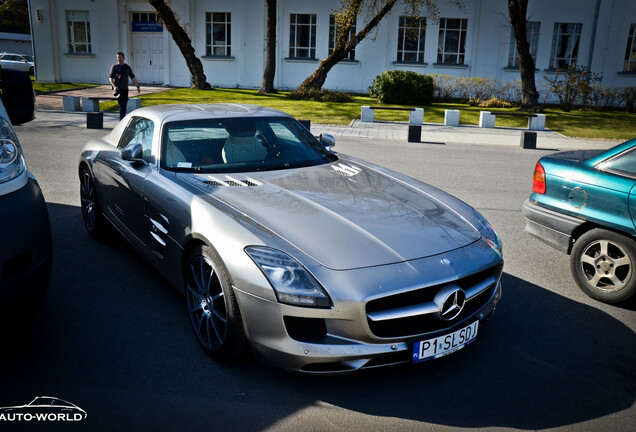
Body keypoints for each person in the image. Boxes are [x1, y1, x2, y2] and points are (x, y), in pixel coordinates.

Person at [109, 52, 140, 120]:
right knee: (121, 106)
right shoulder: (114, 67)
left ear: (124, 58)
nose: (119, 59)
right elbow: (110, 78)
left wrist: (137, 86)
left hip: (125, 89)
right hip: (118, 89)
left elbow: (133, 77)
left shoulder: (127, 67)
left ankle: (122, 120)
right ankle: (121, 121)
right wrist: (114, 86)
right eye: (117, 57)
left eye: (120, 57)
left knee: (124, 106)